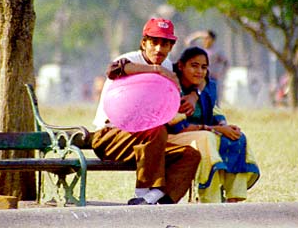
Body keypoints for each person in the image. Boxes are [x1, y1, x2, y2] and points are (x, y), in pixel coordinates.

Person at [92, 18, 201, 205]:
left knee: (190, 155)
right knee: (157, 130)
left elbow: (192, 76)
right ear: (144, 43)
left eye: (165, 44)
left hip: (148, 142)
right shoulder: (130, 60)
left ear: (171, 47)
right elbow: (113, 69)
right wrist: (155, 70)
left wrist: (194, 95)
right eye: (154, 42)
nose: (159, 49)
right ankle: (142, 191)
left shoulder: (167, 66)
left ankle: (154, 199)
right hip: (111, 137)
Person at [168, 46, 260, 203]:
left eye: (204, 67)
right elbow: (177, 126)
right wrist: (217, 129)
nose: (199, 71)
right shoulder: (172, 88)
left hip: (204, 132)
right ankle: (209, 200)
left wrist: (224, 125)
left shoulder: (205, 87)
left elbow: (215, 110)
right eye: (194, 65)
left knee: (238, 138)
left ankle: (234, 198)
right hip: (176, 135)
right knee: (207, 139)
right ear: (181, 66)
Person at [185, 30, 229, 105]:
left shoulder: (217, 50)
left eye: (208, 38)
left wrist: (221, 73)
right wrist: (199, 34)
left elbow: (226, 63)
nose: (205, 40)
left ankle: (214, 115)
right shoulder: (200, 48)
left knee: (214, 99)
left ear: (212, 40)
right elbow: (188, 42)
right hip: (199, 77)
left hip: (211, 78)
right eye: (204, 38)